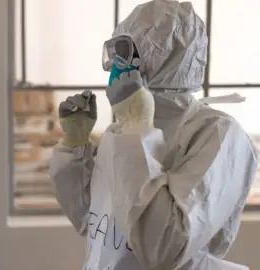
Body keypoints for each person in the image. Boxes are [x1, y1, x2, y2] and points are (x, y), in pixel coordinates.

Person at [49, 1, 258, 269]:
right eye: (113, 53)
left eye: (124, 53)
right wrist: (74, 150)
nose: (114, 66)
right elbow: (95, 221)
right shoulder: (123, 131)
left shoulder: (218, 134)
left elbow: (165, 247)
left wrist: (137, 130)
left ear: (166, 58)